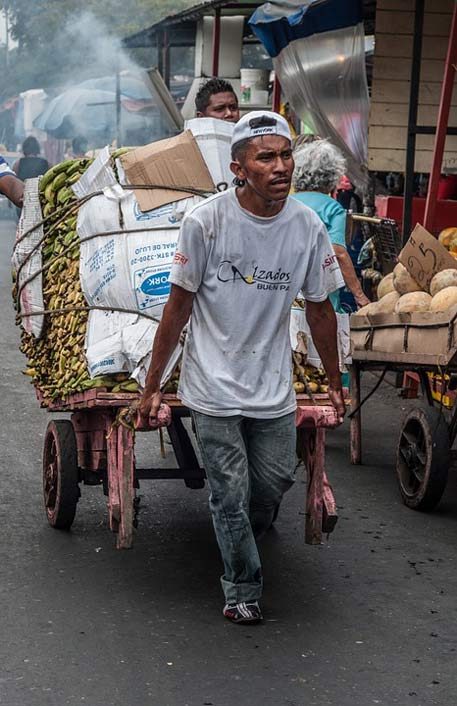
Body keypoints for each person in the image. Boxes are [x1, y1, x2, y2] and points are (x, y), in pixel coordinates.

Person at [138, 110, 346, 625]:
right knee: (229, 492)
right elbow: (178, 307)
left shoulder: (307, 226)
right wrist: (153, 386)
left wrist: (335, 383)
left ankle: (240, 540)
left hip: (272, 390)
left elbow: (320, 310)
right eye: (266, 157)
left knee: (271, 485)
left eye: (286, 154)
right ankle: (242, 587)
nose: (281, 166)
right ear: (238, 167)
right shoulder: (204, 223)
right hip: (212, 386)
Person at [291, 139, 370, 310]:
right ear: (332, 176)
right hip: (320, 299)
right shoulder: (332, 208)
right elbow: (339, 254)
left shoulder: (285, 203)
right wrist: (360, 295)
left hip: (286, 293)